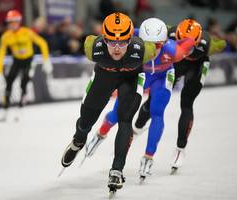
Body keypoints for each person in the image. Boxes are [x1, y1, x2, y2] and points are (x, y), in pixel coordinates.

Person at [83, 18, 196, 181]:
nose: (154, 49)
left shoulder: (172, 50)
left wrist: (193, 38)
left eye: (158, 45)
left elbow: (187, 44)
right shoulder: (134, 36)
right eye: (149, 44)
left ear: (164, 41)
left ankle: (149, 156)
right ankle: (101, 133)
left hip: (162, 77)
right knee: (118, 113)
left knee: (157, 111)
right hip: (142, 73)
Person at [60, 12, 157, 192]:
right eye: (111, 41)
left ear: (131, 39)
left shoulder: (145, 49)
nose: (117, 48)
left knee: (125, 119)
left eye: (123, 42)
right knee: (86, 121)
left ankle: (117, 170)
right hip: (104, 77)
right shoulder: (92, 48)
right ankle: (79, 140)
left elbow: (164, 37)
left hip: (131, 78)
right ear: (103, 39)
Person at [134, 19, 226, 173]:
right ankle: (137, 126)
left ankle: (180, 148)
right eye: (180, 39)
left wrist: (222, 42)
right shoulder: (170, 33)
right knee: (155, 98)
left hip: (198, 65)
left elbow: (219, 45)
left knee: (187, 102)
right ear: (176, 34)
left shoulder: (205, 43)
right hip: (177, 62)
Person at [0, 10, 53, 121]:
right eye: (9, 22)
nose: (11, 25)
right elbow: (1, 54)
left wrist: (46, 60)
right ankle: (5, 111)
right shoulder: (5, 37)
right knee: (9, 83)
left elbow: (42, 43)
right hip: (16, 60)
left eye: (14, 22)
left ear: (18, 22)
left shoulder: (27, 32)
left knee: (23, 83)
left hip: (29, 60)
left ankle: (20, 109)